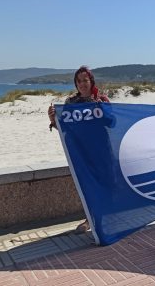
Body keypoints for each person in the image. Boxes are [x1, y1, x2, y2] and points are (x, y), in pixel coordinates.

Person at [48, 65, 109, 233]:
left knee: (101, 184)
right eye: (79, 81)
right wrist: (53, 120)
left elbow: (112, 123)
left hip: (101, 150)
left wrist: (104, 110)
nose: (82, 84)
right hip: (81, 151)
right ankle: (90, 219)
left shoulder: (101, 99)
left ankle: (99, 218)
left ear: (91, 82)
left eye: (85, 80)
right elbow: (66, 128)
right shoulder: (70, 103)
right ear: (76, 84)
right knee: (86, 185)